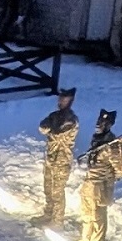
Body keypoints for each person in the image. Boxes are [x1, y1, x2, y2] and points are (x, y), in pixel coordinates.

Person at [74, 109, 122, 241]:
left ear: (109, 125)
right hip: (89, 181)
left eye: (102, 123)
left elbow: (118, 168)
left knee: (98, 216)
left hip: (100, 185)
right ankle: (86, 240)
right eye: (98, 122)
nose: (98, 125)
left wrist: (108, 179)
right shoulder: (97, 139)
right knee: (86, 213)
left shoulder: (112, 144)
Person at [36, 90, 80, 226]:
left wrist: (50, 130)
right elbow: (42, 126)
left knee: (57, 192)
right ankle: (48, 214)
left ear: (70, 101)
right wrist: (49, 130)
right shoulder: (54, 115)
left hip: (62, 160)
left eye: (64, 99)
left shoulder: (71, 119)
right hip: (50, 157)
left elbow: (57, 135)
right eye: (60, 99)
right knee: (48, 188)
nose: (60, 102)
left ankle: (57, 220)